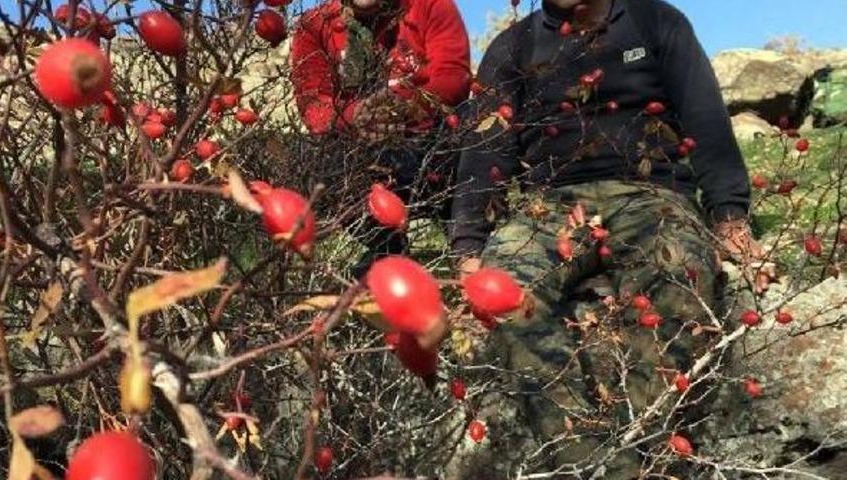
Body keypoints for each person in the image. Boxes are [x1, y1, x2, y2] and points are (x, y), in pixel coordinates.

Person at [447, 0, 763, 477]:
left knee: (679, 270)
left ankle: (648, 451)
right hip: (551, 204)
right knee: (504, 294)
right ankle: (597, 466)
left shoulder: (657, 21)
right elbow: (483, 152)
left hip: (653, 194)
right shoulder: (511, 48)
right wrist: (468, 248)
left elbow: (706, 118)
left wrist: (730, 217)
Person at [289, 0, 471, 271]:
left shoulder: (431, 5)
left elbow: (453, 78)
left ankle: (467, 242)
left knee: (472, 131)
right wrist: (356, 116)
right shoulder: (314, 25)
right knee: (306, 158)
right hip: (359, 146)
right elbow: (314, 104)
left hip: (428, 140)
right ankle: (386, 248)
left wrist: (401, 109)